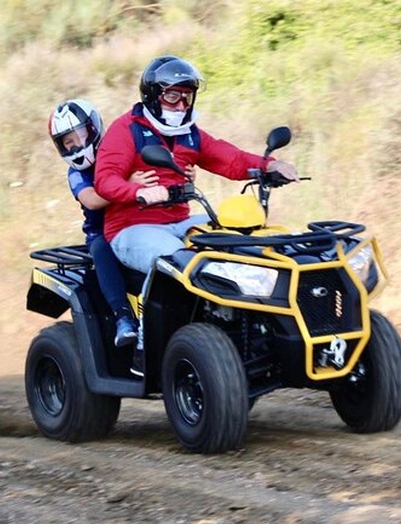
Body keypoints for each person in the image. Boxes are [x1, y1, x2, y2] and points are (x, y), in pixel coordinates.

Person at [94, 55, 299, 276]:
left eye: (187, 97)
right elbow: (105, 180)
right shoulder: (127, 129)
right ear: (153, 96)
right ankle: (153, 311)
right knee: (180, 263)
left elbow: (229, 158)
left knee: (247, 240)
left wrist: (268, 166)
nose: (181, 105)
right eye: (172, 96)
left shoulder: (189, 133)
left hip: (181, 222)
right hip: (133, 229)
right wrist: (139, 191)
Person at [48, 99, 157, 348]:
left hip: (139, 224)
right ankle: (123, 319)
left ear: (94, 128)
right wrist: (126, 185)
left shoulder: (118, 150)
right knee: (100, 249)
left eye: (79, 136)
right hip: (102, 234)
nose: (76, 145)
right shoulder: (76, 173)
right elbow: (91, 200)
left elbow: (152, 171)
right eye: (68, 142)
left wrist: (184, 172)